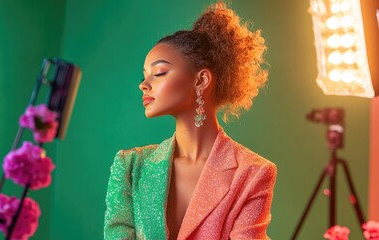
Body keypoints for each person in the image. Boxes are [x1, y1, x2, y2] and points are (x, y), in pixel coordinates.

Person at [103, 1, 277, 239]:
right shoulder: (130, 166)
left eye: (160, 72)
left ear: (201, 80)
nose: (143, 84)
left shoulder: (253, 173)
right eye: (145, 75)